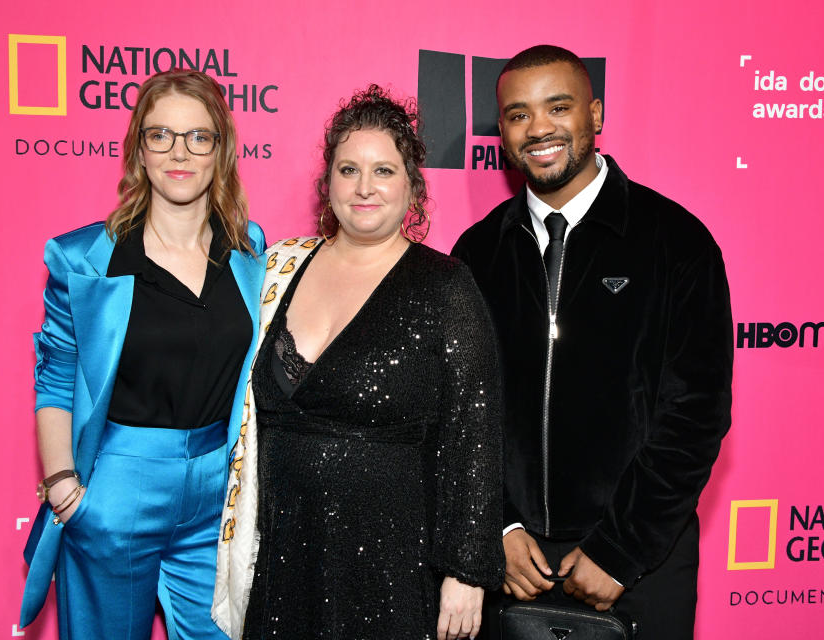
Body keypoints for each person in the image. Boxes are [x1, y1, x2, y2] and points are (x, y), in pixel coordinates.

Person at [451, 45, 733, 639]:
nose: (540, 129)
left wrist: (621, 550)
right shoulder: (476, 255)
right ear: (501, 129)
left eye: (559, 107)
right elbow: (458, 412)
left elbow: (695, 416)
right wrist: (495, 528)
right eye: (519, 114)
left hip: (637, 562)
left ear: (595, 114)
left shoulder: (676, 243)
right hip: (513, 563)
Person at [237, 85, 504, 640]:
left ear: (412, 187)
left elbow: (474, 434)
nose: (364, 187)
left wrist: (465, 572)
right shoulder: (279, 270)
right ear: (327, 181)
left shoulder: (444, 286)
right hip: (284, 555)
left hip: (392, 566)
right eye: (348, 169)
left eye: (383, 171)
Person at [19, 69, 266, 640]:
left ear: (221, 150)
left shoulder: (249, 248)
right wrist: (62, 484)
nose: (180, 152)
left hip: (217, 496)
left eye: (198, 137)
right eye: (162, 136)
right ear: (139, 147)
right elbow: (55, 373)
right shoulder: (85, 258)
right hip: (118, 487)